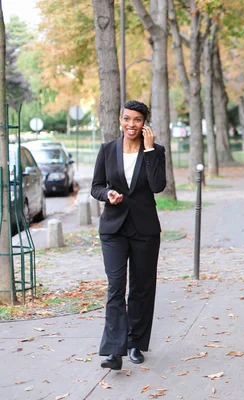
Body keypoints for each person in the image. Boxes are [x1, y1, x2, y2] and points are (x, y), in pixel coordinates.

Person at [91, 100, 166, 370]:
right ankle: (114, 350)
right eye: (126, 119)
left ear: (144, 122)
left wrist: (148, 151)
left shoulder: (156, 151)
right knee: (115, 288)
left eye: (136, 119)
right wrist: (107, 194)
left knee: (142, 288)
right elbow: (96, 186)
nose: (131, 124)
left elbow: (157, 186)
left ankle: (135, 343)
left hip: (145, 230)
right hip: (114, 229)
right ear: (120, 120)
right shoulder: (108, 150)